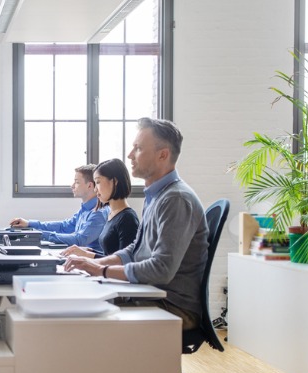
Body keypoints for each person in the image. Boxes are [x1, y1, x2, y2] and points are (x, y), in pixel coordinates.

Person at [64, 118, 208, 330]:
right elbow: (135, 250)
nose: (130, 155)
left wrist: (101, 271)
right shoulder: (156, 196)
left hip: (173, 305)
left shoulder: (176, 199)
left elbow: (161, 269)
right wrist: (96, 265)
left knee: (80, 315)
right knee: (75, 301)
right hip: (152, 293)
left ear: (163, 155)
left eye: (138, 148)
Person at [9, 164, 108, 254]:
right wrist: (29, 224)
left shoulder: (98, 213)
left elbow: (79, 239)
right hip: (80, 256)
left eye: (77, 182)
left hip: (92, 263)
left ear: (90, 185)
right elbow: (64, 227)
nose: (72, 186)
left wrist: (39, 234)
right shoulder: (85, 209)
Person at [60, 158, 139, 258]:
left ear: (114, 182)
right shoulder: (112, 214)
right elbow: (110, 255)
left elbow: (125, 262)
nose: (95, 189)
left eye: (97, 182)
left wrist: (88, 255)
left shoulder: (127, 219)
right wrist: (86, 252)